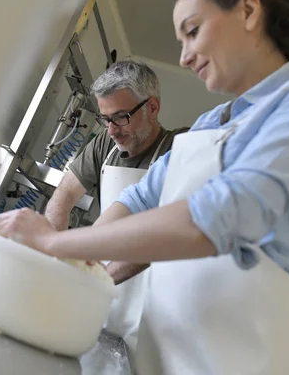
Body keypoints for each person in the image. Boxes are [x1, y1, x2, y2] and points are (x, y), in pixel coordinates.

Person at [0, 0, 289, 373]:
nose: (184, 57)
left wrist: (54, 244)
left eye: (192, 32)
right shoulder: (210, 123)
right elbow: (138, 198)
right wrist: (83, 270)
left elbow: (213, 219)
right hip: (162, 353)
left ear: (249, 11)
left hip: (246, 358)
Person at [44, 60, 188, 351]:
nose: (111, 130)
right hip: (100, 296)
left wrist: (94, 280)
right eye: (105, 119)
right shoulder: (104, 146)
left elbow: (165, 240)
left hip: (154, 306)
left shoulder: (180, 148)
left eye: (121, 118)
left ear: (152, 108)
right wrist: (52, 255)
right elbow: (63, 197)